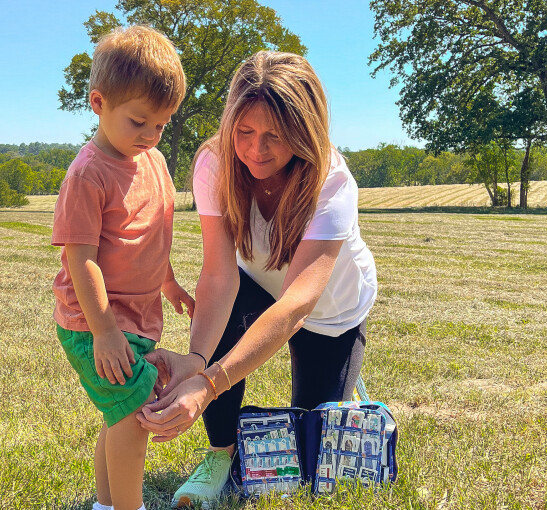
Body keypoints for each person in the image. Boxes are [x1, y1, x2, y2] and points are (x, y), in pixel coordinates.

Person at [137, 51, 377, 508]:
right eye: (244, 131)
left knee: (311, 457)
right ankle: (220, 454)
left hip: (328, 311)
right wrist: (196, 359)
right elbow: (218, 274)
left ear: (304, 131)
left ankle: (343, 384)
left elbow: (295, 306)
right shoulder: (214, 163)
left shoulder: (332, 180)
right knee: (223, 319)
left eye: (275, 135)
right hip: (255, 285)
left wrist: (208, 383)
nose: (256, 149)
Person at [51, 25, 194, 510]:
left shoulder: (151, 160)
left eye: (161, 124)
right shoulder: (88, 174)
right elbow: (81, 259)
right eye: (139, 122)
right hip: (95, 323)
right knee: (136, 415)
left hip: (138, 318)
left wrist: (168, 280)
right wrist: (105, 332)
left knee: (121, 415)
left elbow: (152, 229)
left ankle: (107, 504)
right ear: (98, 103)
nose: (151, 135)